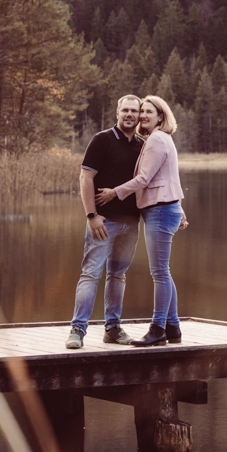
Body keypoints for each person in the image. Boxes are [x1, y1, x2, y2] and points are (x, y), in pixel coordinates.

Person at [96, 93, 187, 348]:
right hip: (164, 209)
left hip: (159, 211)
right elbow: (170, 178)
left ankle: (158, 328)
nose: (143, 116)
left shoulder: (157, 139)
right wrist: (179, 208)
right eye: (142, 111)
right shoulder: (161, 139)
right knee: (164, 272)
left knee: (159, 272)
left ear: (160, 116)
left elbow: (144, 179)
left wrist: (114, 192)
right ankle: (173, 326)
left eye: (149, 112)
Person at [66, 95, 143, 349]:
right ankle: (77, 330)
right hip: (103, 222)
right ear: (117, 113)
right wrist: (91, 215)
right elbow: (85, 178)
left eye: (134, 110)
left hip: (131, 224)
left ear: (139, 114)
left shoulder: (142, 145)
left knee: (118, 275)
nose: (130, 114)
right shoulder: (102, 140)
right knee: (90, 274)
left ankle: (112, 328)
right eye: (125, 110)